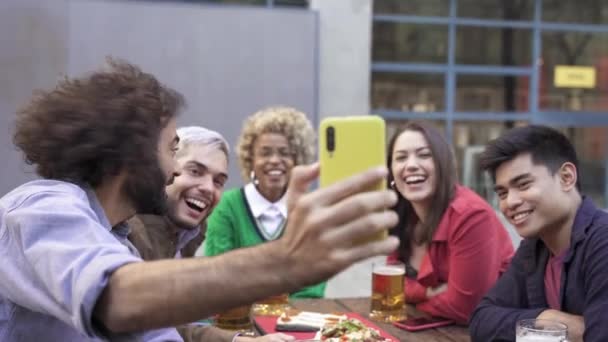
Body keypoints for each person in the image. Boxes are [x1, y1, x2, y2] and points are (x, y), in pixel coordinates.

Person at [0, 59, 400, 341]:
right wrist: (285, 260)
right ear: (131, 151)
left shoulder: (116, 238)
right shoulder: (41, 207)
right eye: (173, 149)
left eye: (219, 179)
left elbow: (157, 334)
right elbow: (118, 298)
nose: (175, 170)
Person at [128, 126, 294, 342]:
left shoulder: (186, 232)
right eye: (195, 171)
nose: (208, 187)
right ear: (167, 169)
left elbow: (173, 325)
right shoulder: (133, 234)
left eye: (218, 181)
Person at [470, 125, 608, 342]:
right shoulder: (534, 247)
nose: (510, 202)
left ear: (566, 177)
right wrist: (549, 320)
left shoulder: (602, 242)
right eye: (502, 192)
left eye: (523, 184)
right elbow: (481, 319)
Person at [386, 121, 514, 324]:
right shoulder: (400, 213)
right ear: (391, 172)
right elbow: (388, 286)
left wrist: (414, 301)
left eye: (424, 154)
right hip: (431, 330)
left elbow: (466, 309)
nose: (410, 165)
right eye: (401, 157)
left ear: (443, 164)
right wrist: (427, 292)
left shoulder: (471, 216)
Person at [204, 107, 325, 298]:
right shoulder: (227, 206)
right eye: (265, 153)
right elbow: (218, 277)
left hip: (296, 321)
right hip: (236, 320)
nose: (275, 160)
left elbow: (311, 289)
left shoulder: (309, 208)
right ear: (250, 159)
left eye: (284, 153)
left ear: (297, 159)